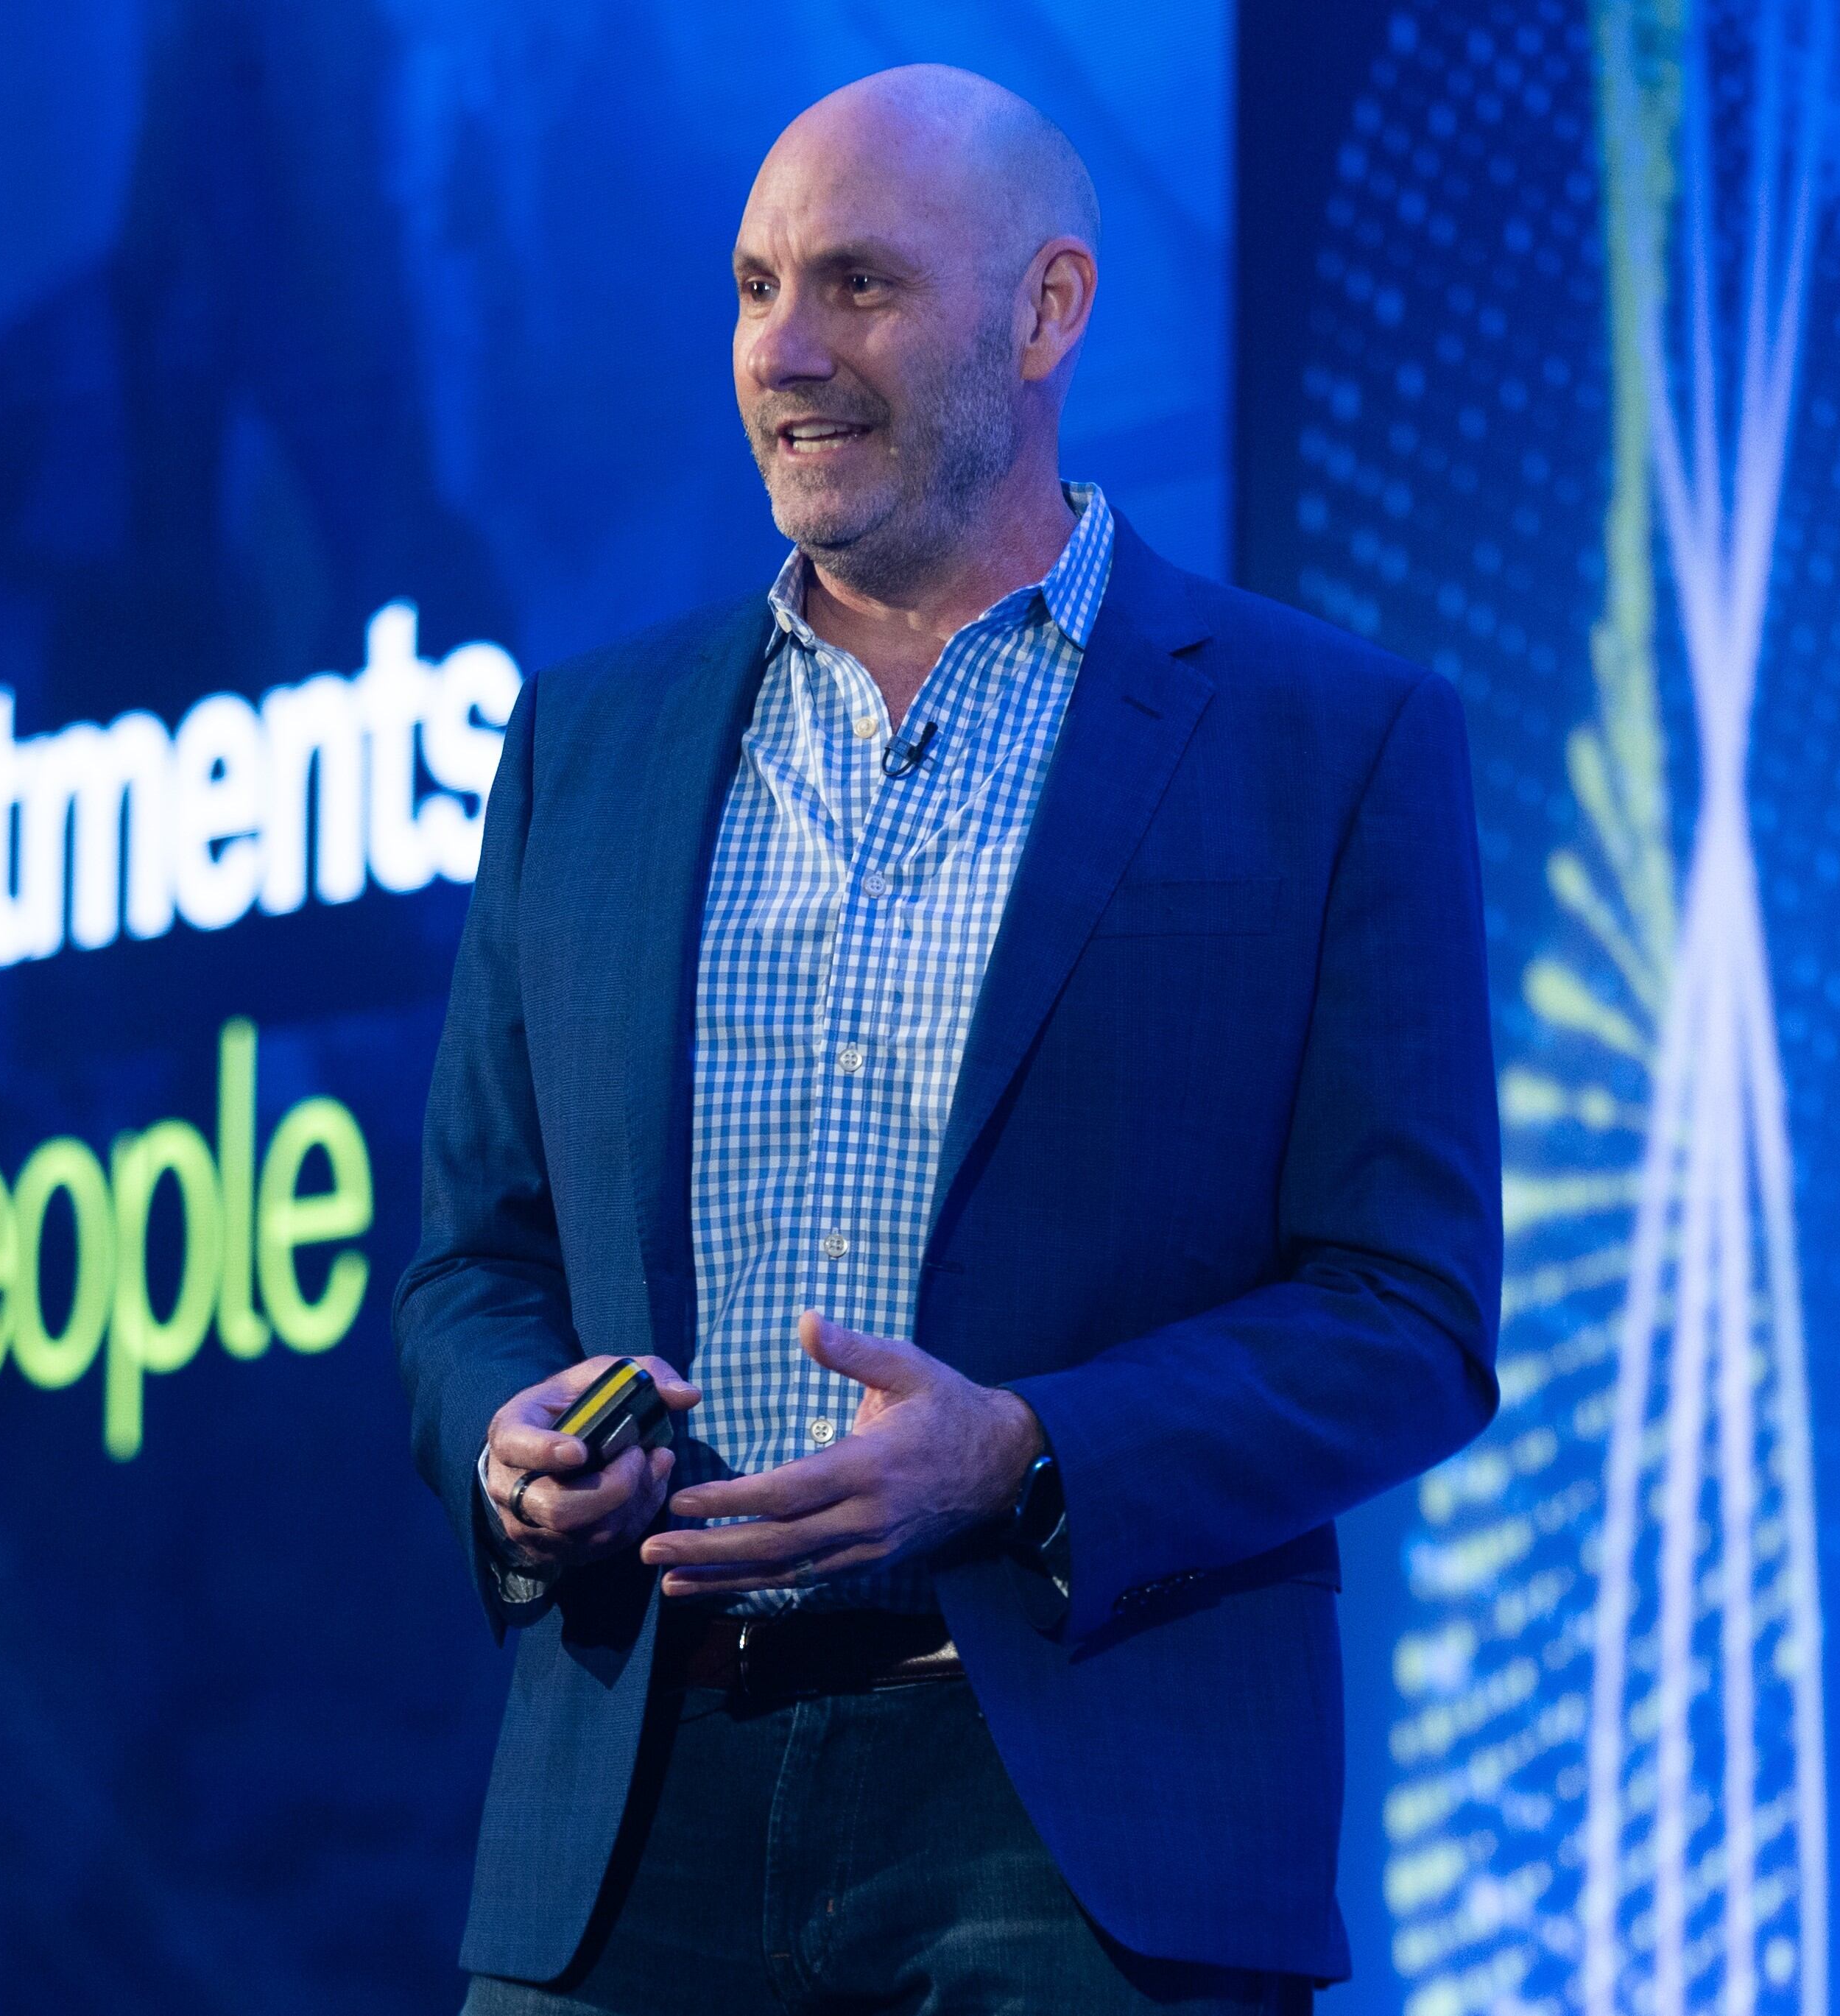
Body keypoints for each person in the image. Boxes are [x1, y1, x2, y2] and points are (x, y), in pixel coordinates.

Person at [395, 64, 1501, 2015]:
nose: (783, 352)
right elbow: (474, 1265)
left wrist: (1026, 1450)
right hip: (631, 1817)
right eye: (754, 289)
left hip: (1076, 1820)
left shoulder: (1327, 739)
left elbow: (1405, 1312)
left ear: (1047, 308)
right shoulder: (589, 741)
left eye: (859, 285)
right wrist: (513, 1448)